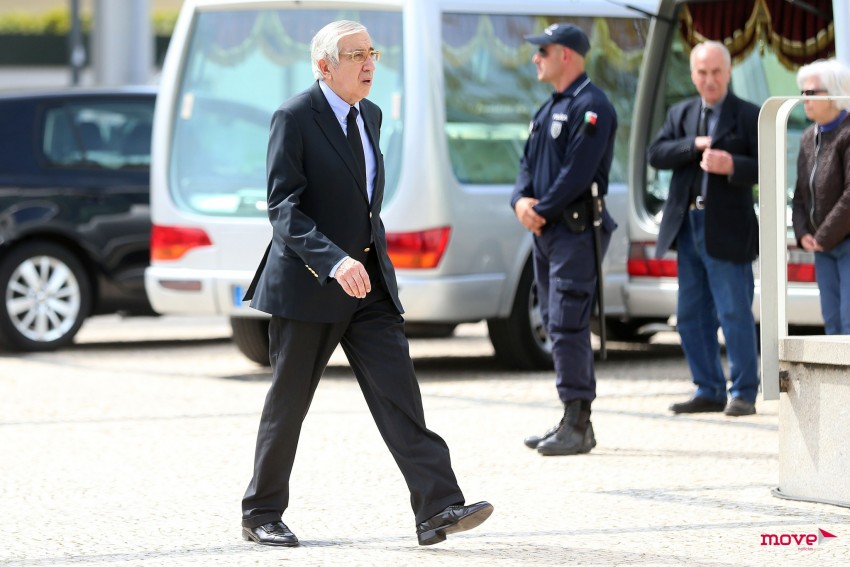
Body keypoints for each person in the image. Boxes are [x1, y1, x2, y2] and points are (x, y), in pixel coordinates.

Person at [240, 20, 492, 547]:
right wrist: (334, 261)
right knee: (289, 404)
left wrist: (365, 261)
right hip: (311, 285)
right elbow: (283, 208)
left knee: (400, 394)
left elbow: (362, 201)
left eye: (371, 52)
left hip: (369, 284)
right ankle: (260, 512)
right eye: (356, 55)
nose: (369, 63)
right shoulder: (294, 117)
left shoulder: (369, 114)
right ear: (324, 66)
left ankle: (438, 506)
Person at [511, 23, 618, 456]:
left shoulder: (592, 106)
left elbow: (578, 171)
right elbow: (526, 164)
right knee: (556, 322)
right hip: (550, 232)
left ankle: (578, 423)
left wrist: (540, 209)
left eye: (544, 51)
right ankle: (570, 417)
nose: (536, 58)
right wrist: (520, 201)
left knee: (568, 323)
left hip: (574, 231)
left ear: (566, 55)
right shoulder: (549, 107)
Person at [648, 41, 760, 417]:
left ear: (728, 73)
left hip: (727, 228)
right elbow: (656, 154)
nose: (709, 79)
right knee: (690, 315)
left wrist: (733, 166)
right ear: (693, 75)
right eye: (702, 72)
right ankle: (708, 389)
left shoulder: (748, 114)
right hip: (688, 225)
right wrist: (692, 147)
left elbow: (768, 165)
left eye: (715, 72)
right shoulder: (680, 113)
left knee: (734, 312)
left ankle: (743, 391)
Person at [792, 59, 850, 335]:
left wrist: (822, 236)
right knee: (832, 322)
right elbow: (800, 194)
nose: (805, 98)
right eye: (802, 91)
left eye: (812, 92)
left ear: (835, 93)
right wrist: (802, 232)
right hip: (822, 248)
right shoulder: (807, 137)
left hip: (845, 244)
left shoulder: (848, 133)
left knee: (848, 323)